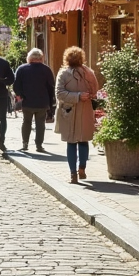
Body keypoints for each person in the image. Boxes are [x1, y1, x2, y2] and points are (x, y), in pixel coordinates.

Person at [55, 46, 99, 184]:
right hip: (84, 110)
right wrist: (82, 95)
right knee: (83, 141)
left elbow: (59, 93)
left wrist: (76, 96)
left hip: (69, 111)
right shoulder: (89, 72)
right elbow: (95, 90)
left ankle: (73, 174)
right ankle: (82, 168)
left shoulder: (63, 74)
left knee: (71, 142)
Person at [14, 48, 56, 152]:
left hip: (27, 101)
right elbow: (51, 86)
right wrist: (51, 103)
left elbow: (16, 85)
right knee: (40, 123)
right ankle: (39, 145)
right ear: (41, 58)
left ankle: (25, 144)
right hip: (42, 101)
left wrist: (19, 96)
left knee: (26, 122)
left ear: (29, 58)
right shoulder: (46, 69)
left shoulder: (22, 69)